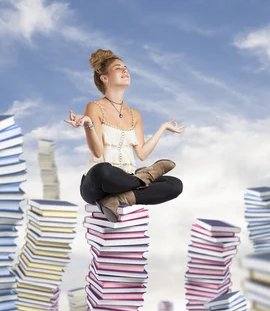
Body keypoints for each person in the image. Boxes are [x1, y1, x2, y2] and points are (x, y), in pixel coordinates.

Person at [64, 49, 185, 222]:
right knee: (103, 170)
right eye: (118, 68)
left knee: (175, 185)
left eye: (126, 67)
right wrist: (88, 124)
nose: (125, 70)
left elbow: (142, 154)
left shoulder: (135, 114)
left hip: (127, 179)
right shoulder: (94, 107)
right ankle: (145, 178)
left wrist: (163, 128)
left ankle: (119, 198)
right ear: (104, 78)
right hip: (99, 183)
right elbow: (98, 153)